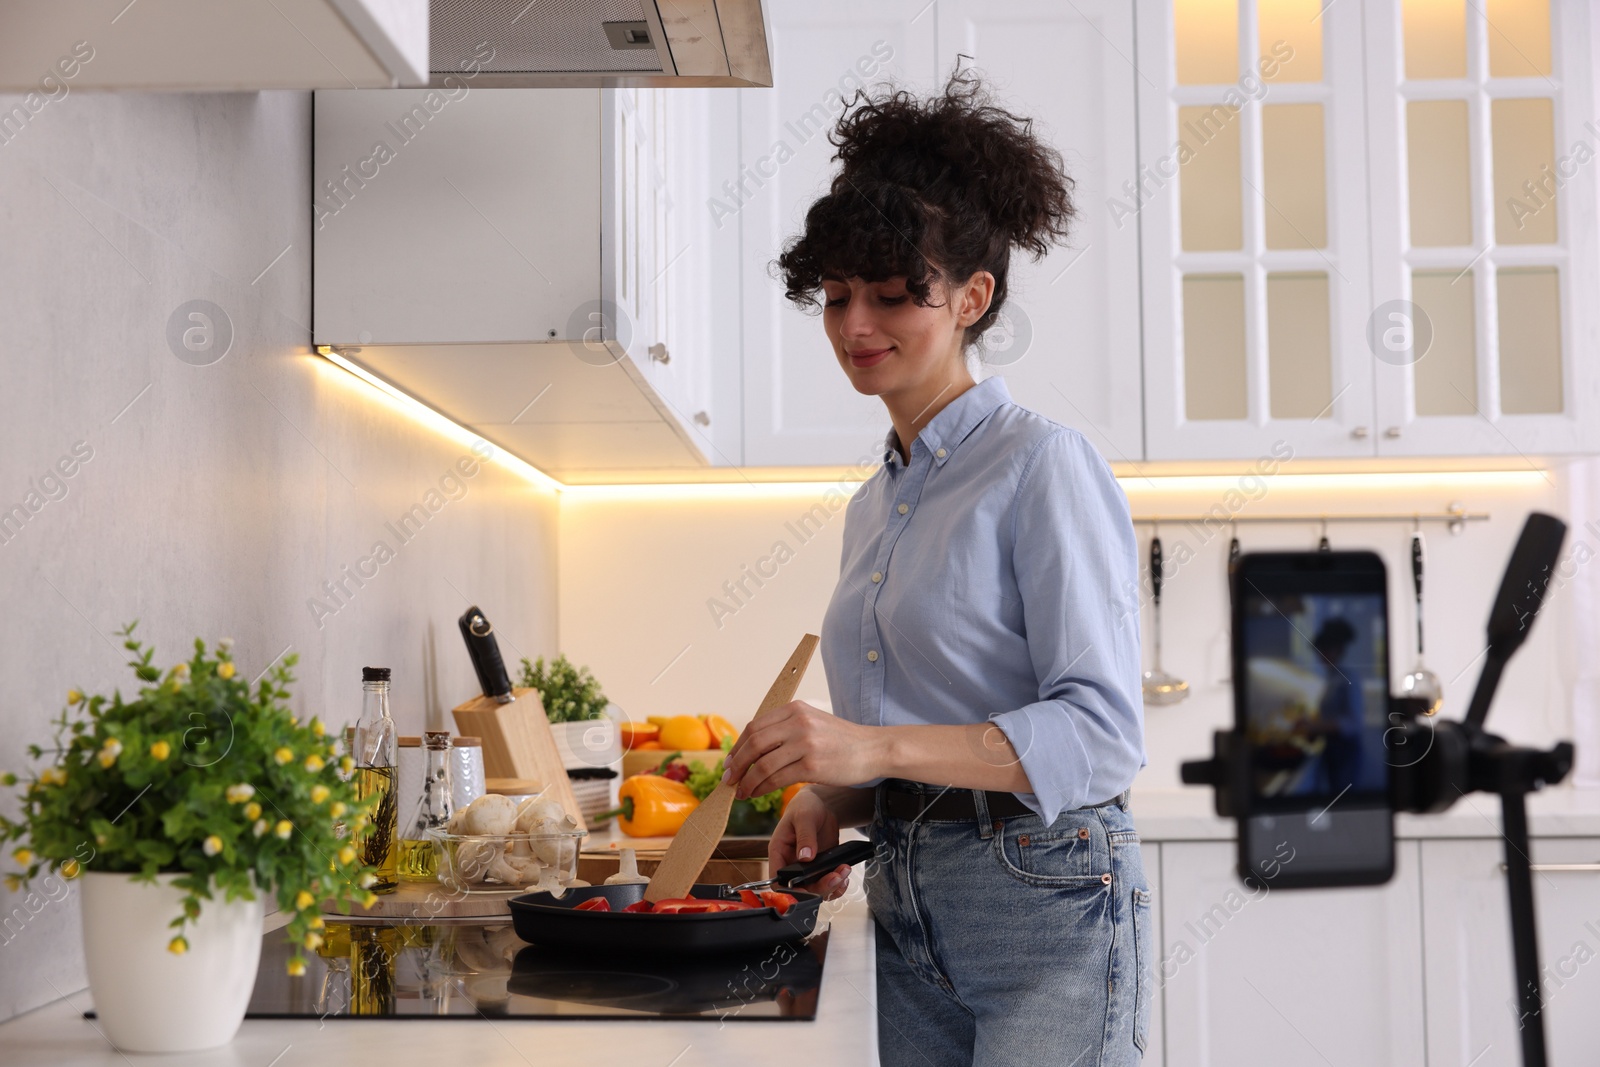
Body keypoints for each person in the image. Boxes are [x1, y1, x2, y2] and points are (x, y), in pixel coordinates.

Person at [722, 71, 1151, 1066]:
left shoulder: (1041, 464)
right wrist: (835, 796)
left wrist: (867, 752)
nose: (855, 327)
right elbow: (916, 732)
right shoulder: (878, 499)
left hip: (1043, 893)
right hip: (906, 891)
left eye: (889, 296)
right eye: (834, 297)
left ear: (971, 297)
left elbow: (1098, 735)